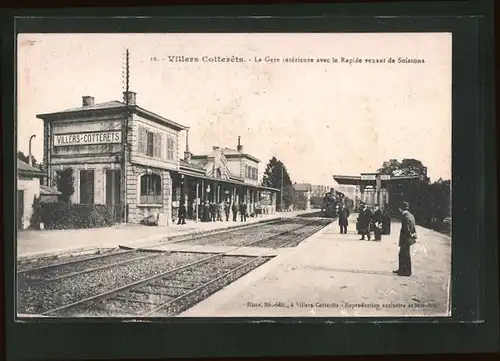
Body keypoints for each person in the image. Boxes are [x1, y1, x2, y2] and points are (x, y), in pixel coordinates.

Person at [393, 201, 417, 277]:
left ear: (401, 209)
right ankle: (402, 270)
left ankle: (406, 272)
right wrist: (413, 235)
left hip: (405, 240)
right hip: (408, 239)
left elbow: (406, 230)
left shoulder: (405, 217)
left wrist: (408, 236)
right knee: (403, 255)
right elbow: (413, 228)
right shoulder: (411, 215)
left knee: (404, 256)